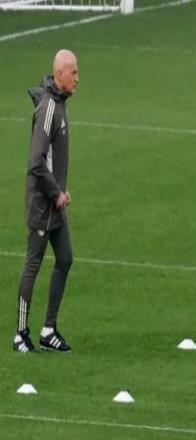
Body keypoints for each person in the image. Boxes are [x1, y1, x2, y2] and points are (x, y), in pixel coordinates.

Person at [13, 49, 79, 353]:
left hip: (56, 206)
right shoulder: (49, 108)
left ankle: (48, 330)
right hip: (44, 205)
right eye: (74, 73)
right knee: (33, 265)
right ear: (59, 74)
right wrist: (56, 193)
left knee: (65, 259)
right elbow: (36, 162)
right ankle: (20, 334)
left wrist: (61, 193)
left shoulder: (60, 104)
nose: (77, 79)